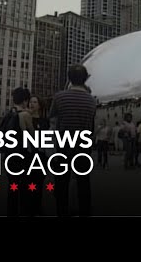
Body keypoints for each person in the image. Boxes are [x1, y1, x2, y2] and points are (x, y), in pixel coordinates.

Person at [49, 64, 96, 217]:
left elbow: (53, 119)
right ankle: (84, 212)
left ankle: (61, 211)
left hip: (64, 144)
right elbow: (91, 125)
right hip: (83, 144)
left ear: (69, 79)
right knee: (83, 182)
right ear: (85, 79)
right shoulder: (91, 100)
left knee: (62, 182)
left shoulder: (59, 97)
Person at [0, 87, 34, 217]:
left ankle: (11, 213)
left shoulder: (8, 115)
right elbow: (32, 137)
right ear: (25, 100)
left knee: (12, 186)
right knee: (24, 187)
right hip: (22, 157)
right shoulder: (25, 115)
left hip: (9, 156)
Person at [25, 94, 49, 216]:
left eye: (34, 102)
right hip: (28, 156)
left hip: (40, 156)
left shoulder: (44, 121)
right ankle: (29, 208)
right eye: (30, 102)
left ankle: (37, 207)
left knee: (39, 182)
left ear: (39, 106)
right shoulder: (25, 118)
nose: (31, 104)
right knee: (29, 183)